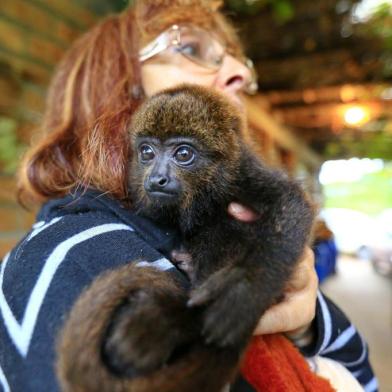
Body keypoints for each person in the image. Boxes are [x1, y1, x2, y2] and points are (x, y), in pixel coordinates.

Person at [0, 1, 377, 391]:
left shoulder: (225, 219)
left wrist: (304, 325)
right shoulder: (65, 258)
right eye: (191, 48)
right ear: (115, 83)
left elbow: (366, 379)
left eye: (239, 63)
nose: (239, 75)